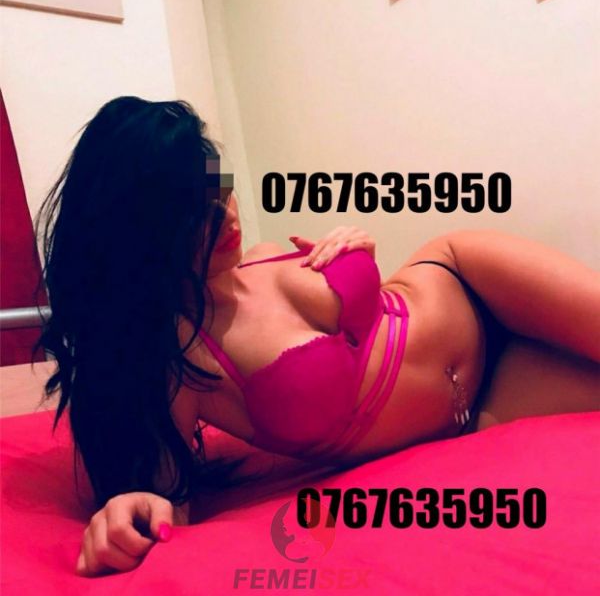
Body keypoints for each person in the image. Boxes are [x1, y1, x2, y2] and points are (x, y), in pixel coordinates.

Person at [32, 96, 600, 577]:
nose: (226, 218)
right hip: (480, 403)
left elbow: (377, 314)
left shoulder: (261, 256)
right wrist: (128, 510)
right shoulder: (181, 357)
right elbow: (163, 504)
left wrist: (359, 250)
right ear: (143, 237)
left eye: (219, 190)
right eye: (194, 214)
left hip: (467, 277)